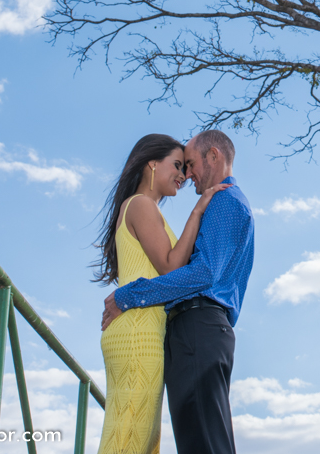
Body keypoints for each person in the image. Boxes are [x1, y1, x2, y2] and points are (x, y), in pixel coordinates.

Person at [101, 129, 255, 454]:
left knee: (198, 442)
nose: (187, 175)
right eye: (180, 165)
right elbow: (184, 267)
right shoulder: (154, 206)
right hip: (186, 329)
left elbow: (201, 273)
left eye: (189, 164)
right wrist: (197, 212)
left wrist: (130, 294)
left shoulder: (225, 200)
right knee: (183, 439)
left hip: (198, 325)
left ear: (213, 156)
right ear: (152, 166)